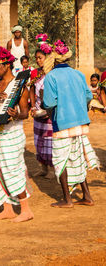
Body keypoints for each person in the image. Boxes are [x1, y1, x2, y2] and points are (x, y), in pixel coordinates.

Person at [0, 46, 34, 222]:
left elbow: (25, 113)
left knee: (12, 169)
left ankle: (26, 209)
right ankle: (7, 208)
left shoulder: (20, 87)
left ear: (7, 65)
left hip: (12, 133)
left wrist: (16, 114)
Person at [43, 40, 99, 208]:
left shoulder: (51, 76)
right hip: (81, 122)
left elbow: (49, 103)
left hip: (61, 123)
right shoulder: (79, 74)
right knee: (78, 157)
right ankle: (87, 196)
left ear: (54, 59)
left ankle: (67, 199)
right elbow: (89, 96)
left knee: (61, 161)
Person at [29, 48, 53, 177]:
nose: (38, 60)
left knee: (49, 141)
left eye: (41, 58)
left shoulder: (52, 73)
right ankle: (44, 169)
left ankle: (53, 170)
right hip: (38, 110)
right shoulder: (34, 73)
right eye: (36, 58)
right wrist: (33, 106)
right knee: (39, 140)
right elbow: (31, 90)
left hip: (51, 112)